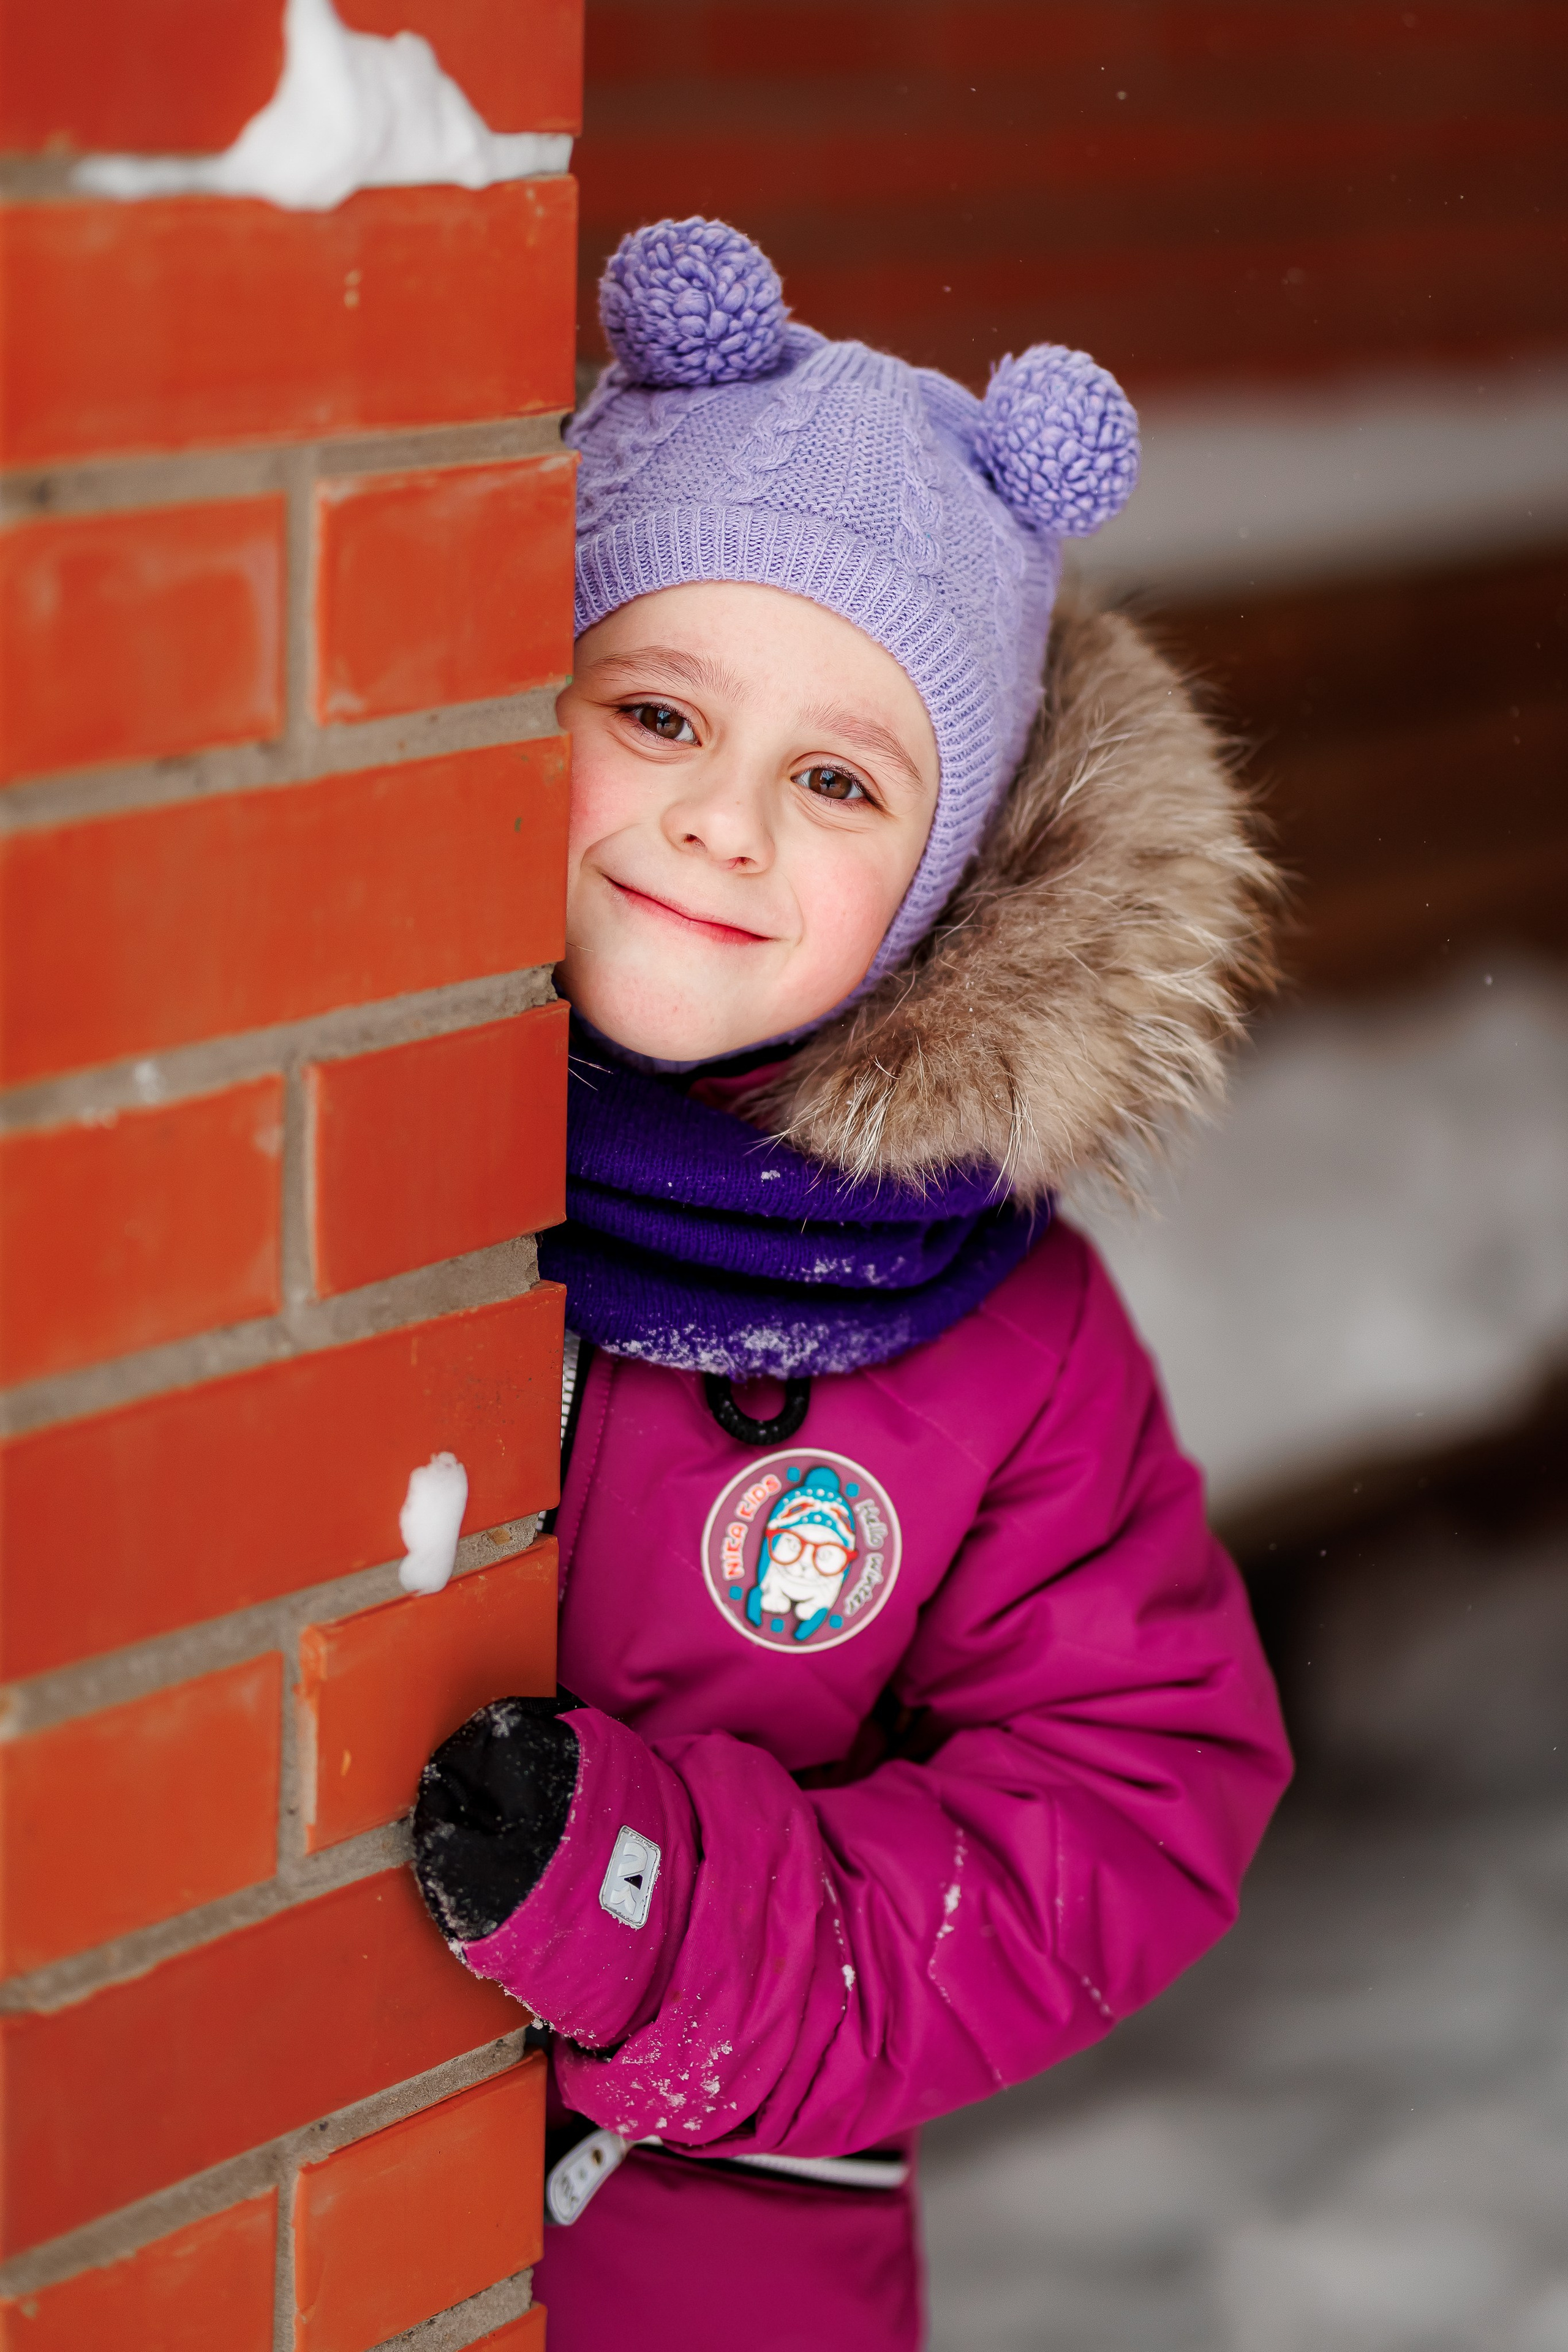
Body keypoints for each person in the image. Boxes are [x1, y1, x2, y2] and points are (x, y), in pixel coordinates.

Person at [412, 217, 1292, 2351]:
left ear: (940, 883)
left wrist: (667, 1923)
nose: (721, 826)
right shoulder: (362, 1163)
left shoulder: (999, 1331)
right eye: (655, 710)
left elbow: (1135, 1802)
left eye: (835, 782)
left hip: (713, 2278)